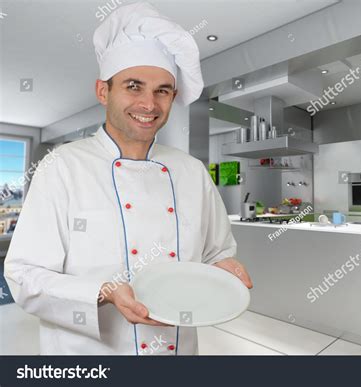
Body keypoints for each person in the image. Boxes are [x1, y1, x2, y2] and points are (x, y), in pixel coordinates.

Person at [5, 1, 252, 355]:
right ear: (103, 91)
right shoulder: (62, 166)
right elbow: (24, 275)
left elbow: (217, 252)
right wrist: (103, 292)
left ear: (173, 96)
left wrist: (222, 267)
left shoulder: (191, 171)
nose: (149, 104)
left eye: (162, 90)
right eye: (133, 86)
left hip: (177, 350)